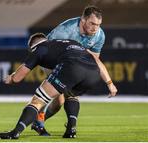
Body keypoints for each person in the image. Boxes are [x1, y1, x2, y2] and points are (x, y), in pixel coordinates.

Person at [0, 33, 117, 139]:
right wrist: (110, 83)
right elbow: (97, 60)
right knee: (71, 94)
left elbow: (18, 78)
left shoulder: (39, 49)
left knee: (38, 100)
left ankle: (15, 132)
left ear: (32, 47)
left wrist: (11, 78)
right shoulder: (71, 42)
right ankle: (71, 129)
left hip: (72, 67)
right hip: (93, 73)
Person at [31, 5, 106, 138]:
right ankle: (71, 128)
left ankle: (39, 121)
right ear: (83, 20)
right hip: (51, 60)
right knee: (68, 91)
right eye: (92, 23)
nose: (95, 28)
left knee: (59, 102)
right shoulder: (65, 30)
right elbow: (51, 54)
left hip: (72, 63)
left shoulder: (99, 35)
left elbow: (92, 60)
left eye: (98, 24)